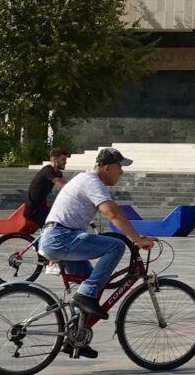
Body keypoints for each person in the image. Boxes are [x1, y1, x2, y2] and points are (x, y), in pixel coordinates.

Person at [36, 148, 158, 353]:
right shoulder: (92, 181)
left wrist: (136, 237)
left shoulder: (88, 180)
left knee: (90, 281)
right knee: (115, 248)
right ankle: (85, 296)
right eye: (120, 167)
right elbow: (112, 212)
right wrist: (136, 239)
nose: (122, 172)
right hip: (60, 238)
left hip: (60, 236)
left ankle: (76, 338)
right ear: (107, 167)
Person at [23, 148, 68, 224]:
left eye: (65, 160)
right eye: (63, 160)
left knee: (62, 217)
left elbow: (68, 186)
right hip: (33, 209)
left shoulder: (58, 173)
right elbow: (62, 186)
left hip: (41, 207)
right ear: (55, 160)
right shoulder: (48, 171)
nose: (65, 162)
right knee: (58, 222)